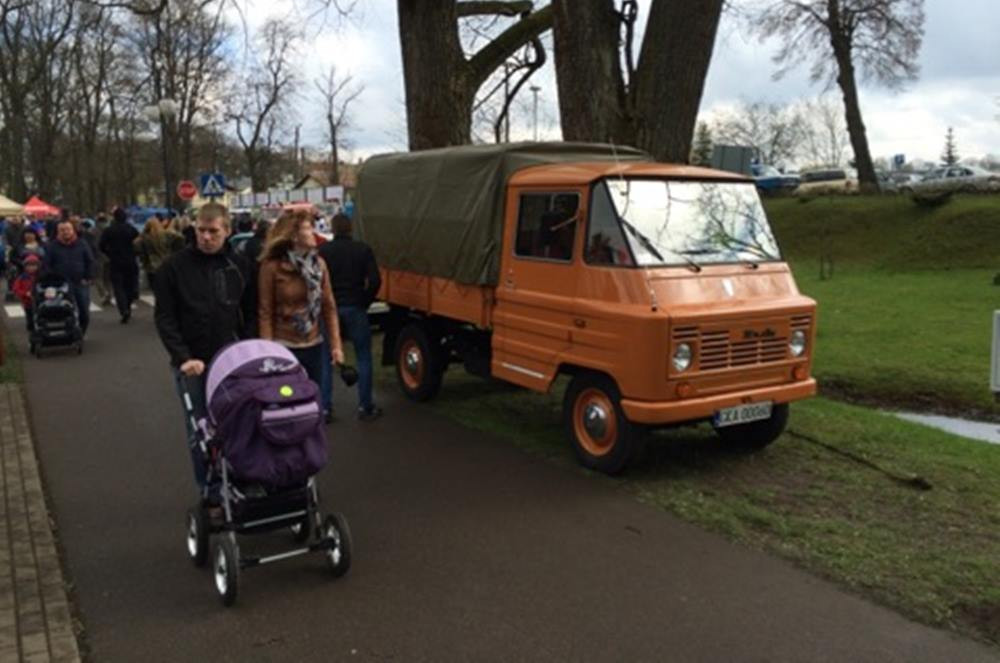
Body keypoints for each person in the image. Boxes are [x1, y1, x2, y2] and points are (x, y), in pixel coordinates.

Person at [153, 202, 257, 493]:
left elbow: (250, 312)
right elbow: (165, 318)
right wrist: (183, 357)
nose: (206, 237)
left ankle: (242, 476)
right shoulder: (173, 269)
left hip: (231, 359)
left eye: (213, 231)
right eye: (201, 230)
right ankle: (209, 490)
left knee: (239, 421)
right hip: (192, 361)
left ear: (227, 231)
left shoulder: (239, 266)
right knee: (200, 429)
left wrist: (248, 348)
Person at [258, 209, 344, 423]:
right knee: (287, 402)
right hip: (284, 345)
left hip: (313, 343)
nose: (314, 232)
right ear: (294, 235)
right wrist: (267, 353)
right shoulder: (272, 268)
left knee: (312, 402)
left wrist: (336, 345)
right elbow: (265, 312)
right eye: (308, 228)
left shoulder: (319, 265)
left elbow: (329, 307)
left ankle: (310, 447)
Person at [318, 213, 383, 421]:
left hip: (329, 309)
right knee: (363, 356)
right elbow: (375, 280)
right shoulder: (362, 250)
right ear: (351, 229)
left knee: (326, 358)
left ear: (333, 229)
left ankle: (325, 408)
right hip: (355, 306)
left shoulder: (322, 252)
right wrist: (364, 301)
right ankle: (365, 405)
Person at [43, 218, 94, 336]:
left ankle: (82, 331)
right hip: (61, 284)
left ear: (73, 230)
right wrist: (51, 279)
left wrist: (88, 276)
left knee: (84, 311)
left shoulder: (82, 243)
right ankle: (70, 333)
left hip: (80, 282)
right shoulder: (52, 246)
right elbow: (46, 265)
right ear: (57, 232)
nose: (65, 232)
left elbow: (90, 261)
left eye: (68, 229)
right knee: (66, 311)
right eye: (62, 230)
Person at [99, 208, 139, 323]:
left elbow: (101, 245)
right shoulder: (131, 230)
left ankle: (123, 309)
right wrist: (135, 253)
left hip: (115, 260)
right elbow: (139, 243)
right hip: (130, 260)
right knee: (129, 285)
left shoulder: (109, 230)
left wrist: (109, 253)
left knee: (118, 287)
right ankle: (128, 304)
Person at [134, 212, 184, 291]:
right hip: (165, 264)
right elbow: (180, 238)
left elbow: (136, 247)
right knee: (165, 289)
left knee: (155, 289)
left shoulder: (145, 238)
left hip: (151, 267)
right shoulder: (165, 235)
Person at [11, 254, 40, 334]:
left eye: (34, 265)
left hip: (39, 301)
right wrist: (25, 293)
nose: (31, 268)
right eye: (29, 265)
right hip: (28, 303)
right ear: (25, 266)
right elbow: (16, 289)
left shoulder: (40, 277)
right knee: (30, 319)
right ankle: (32, 332)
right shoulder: (22, 277)